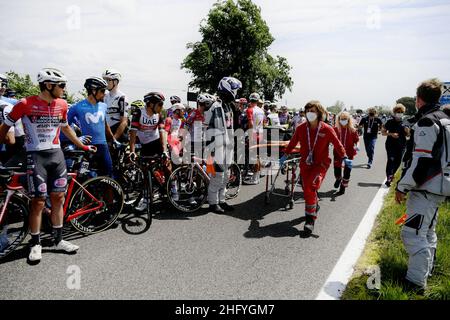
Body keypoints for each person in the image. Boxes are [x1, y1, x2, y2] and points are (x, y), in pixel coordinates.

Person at [0, 68, 96, 262]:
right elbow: (5, 127)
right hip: (36, 156)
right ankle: (35, 243)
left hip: (57, 155)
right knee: (38, 202)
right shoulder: (25, 103)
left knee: (59, 198)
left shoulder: (61, 104)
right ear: (48, 85)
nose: (64, 89)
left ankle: (58, 239)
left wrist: (82, 146)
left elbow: (66, 128)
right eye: (61, 85)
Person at [395, 78, 449, 293]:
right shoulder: (445, 118)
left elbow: (421, 161)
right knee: (427, 233)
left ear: (418, 99)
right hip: (439, 186)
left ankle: (415, 283)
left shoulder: (428, 122)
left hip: (426, 187)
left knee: (412, 234)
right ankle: (427, 270)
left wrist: (402, 186)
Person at [281, 101, 348, 235]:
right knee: (307, 189)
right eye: (308, 110)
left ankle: (310, 220)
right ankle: (314, 205)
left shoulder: (327, 129)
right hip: (306, 164)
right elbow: (293, 142)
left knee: (311, 186)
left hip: (321, 164)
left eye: (313, 110)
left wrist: (345, 157)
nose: (310, 113)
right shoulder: (300, 128)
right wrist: (284, 155)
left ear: (319, 113)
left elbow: (337, 143)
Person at [67, 77, 118, 177]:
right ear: (93, 91)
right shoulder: (77, 106)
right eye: (102, 91)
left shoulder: (103, 106)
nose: (105, 94)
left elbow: (105, 124)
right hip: (87, 147)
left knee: (108, 175)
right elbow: (65, 126)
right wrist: (76, 139)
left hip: (103, 146)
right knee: (84, 177)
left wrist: (113, 139)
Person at [204, 77, 242, 214]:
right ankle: (213, 203)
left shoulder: (228, 106)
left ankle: (222, 200)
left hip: (227, 146)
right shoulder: (214, 107)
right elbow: (206, 128)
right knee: (217, 175)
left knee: (226, 174)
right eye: (235, 90)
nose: (236, 92)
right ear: (227, 89)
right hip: (216, 147)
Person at [129, 92, 170, 210]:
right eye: (160, 104)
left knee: (166, 165)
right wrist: (132, 151)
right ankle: (147, 199)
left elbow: (162, 132)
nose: (162, 107)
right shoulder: (138, 113)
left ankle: (172, 189)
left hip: (157, 141)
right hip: (145, 145)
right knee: (145, 172)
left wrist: (165, 150)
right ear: (151, 104)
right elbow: (133, 133)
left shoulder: (158, 115)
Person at [382, 104, 409, 187]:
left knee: (397, 162)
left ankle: (392, 174)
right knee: (391, 160)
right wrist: (391, 134)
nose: (399, 113)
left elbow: (408, 135)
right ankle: (389, 178)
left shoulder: (405, 122)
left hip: (401, 145)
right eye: (398, 112)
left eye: (401, 112)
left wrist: (407, 131)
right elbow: (383, 133)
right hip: (390, 144)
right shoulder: (390, 121)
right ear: (394, 112)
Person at [333, 111, 359, 194]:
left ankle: (343, 187)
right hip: (337, 152)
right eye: (341, 119)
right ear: (339, 119)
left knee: (347, 171)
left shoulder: (352, 130)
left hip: (349, 153)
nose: (343, 120)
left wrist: (357, 146)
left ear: (348, 120)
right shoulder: (335, 129)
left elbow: (357, 140)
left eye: (345, 119)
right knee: (337, 170)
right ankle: (338, 178)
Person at [102, 69, 129, 143]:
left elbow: (124, 122)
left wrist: (114, 139)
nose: (106, 82)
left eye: (108, 80)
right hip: (106, 132)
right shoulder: (105, 96)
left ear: (116, 82)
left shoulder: (122, 97)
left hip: (117, 134)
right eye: (105, 80)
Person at [244, 92, 265, 185]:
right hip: (260, 133)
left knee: (254, 157)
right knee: (258, 156)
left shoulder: (249, 110)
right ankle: (256, 176)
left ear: (250, 99)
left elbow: (251, 123)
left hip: (254, 134)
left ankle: (255, 179)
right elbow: (263, 123)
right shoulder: (261, 110)